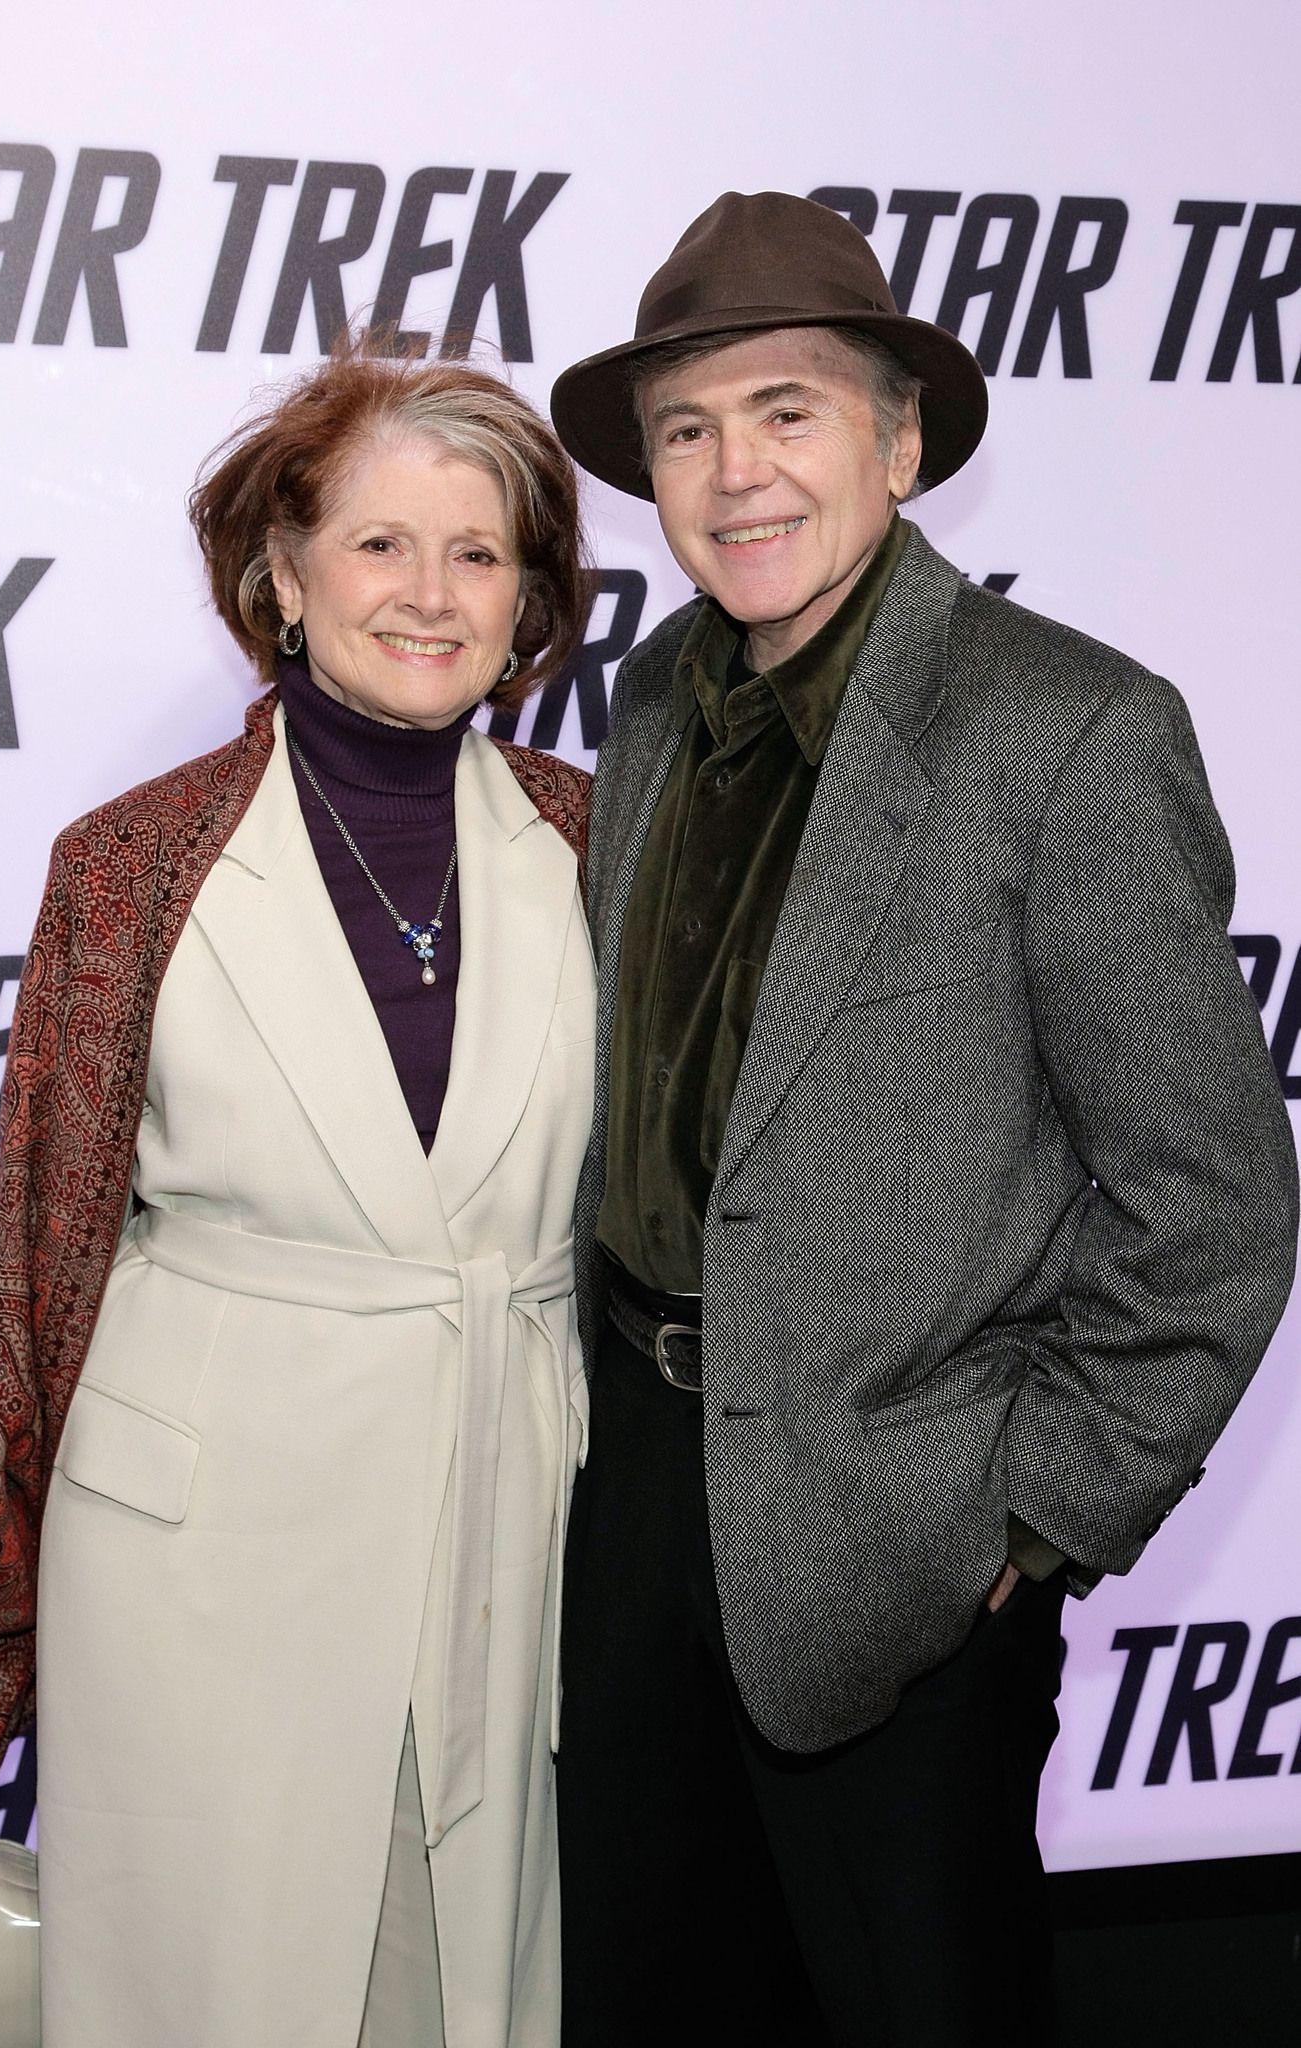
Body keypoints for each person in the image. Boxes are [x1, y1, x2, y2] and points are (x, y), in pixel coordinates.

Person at [547, 190, 1299, 2046]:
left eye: (786, 411)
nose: (736, 475)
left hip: (904, 1528)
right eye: (686, 430)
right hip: (628, 1496)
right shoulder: (647, 703)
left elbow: (1210, 1202)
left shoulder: (1068, 734)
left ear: (897, 441)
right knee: (648, 1996)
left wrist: (1022, 1522)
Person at [0, 337, 596, 2048]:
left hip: (512, 1530)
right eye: (380, 543)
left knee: (466, 1986)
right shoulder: (133, 862)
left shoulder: (606, 840)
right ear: (280, 575)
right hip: (200, 1560)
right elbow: (39, 1277)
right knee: (217, 1988)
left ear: (529, 604)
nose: (431, 595)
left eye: (479, 551)